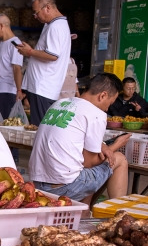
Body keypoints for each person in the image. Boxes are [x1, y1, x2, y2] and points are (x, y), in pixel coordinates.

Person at [29, 73, 130, 204]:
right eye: (109, 103)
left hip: (38, 184)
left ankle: (83, 211)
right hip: (64, 188)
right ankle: (118, 213)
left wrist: (103, 146)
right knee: (120, 159)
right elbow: (88, 163)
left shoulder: (59, 104)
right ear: (103, 95)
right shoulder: (96, 114)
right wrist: (116, 145)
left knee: (84, 166)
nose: (107, 108)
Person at [17, 0, 71, 126]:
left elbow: (53, 55)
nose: (35, 17)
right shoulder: (52, 25)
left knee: (42, 129)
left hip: (43, 88)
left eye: (36, 12)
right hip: (40, 87)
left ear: (47, 7)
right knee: (39, 127)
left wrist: (29, 51)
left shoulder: (56, 27)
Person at [0, 13, 24, 119]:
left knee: (4, 122)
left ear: (2, 26)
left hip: (7, 92)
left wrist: (19, 90)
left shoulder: (15, 44)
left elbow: (17, 68)